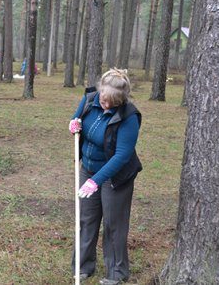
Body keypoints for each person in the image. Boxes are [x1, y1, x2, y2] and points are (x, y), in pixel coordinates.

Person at [69, 68, 142, 285]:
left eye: (112, 102)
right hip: (88, 169)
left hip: (116, 176)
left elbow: (121, 155)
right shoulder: (90, 98)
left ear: (121, 100)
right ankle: (82, 266)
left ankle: (116, 273)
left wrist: (96, 181)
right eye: (104, 98)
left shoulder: (129, 117)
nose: (105, 104)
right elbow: (77, 119)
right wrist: (73, 125)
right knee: (86, 219)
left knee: (113, 224)